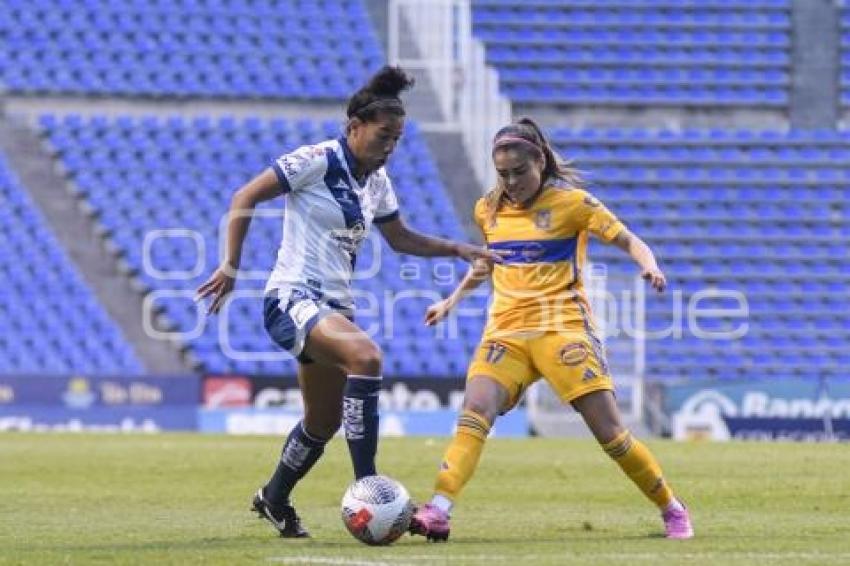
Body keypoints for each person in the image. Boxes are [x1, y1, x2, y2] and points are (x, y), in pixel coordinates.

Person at [195, 66, 501, 538]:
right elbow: (246, 196)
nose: (390, 148)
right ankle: (370, 488)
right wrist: (230, 266)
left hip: (333, 308)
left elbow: (399, 238)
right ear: (354, 127)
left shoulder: (377, 181)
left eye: (397, 139)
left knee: (322, 422)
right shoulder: (316, 159)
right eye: (383, 136)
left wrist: (458, 248)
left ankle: (273, 498)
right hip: (292, 296)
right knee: (367, 355)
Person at [408, 117, 694, 541]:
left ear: (539, 161)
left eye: (518, 173)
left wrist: (648, 264)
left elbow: (630, 240)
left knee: (610, 434)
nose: (511, 183)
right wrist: (451, 301)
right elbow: (488, 264)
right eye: (502, 174)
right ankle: (439, 509)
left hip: (563, 330)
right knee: (474, 412)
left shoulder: (573, 203)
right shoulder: (488, 207)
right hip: (505, 331)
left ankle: (671, 508)